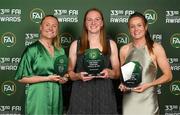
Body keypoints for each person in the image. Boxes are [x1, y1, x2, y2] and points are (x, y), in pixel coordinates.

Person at [67, 8, 120, 114]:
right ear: (85, 23)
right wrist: (78, 76)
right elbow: (70, 73)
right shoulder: (75, 45)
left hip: (104, 92)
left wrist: (110, 73)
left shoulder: (111, 44)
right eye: (89, 20)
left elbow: (117, 73)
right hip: (81, 93)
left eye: (97, 19)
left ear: (102, 23)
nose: (93, 23)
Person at [119, 12, 172, 115]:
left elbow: (168, 76)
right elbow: (124, 77)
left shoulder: (156, 48)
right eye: (132, 26)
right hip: (129, 101)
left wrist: (149, 85)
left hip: (148, 101)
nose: (136, 29)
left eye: (139, 25)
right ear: (129, 29)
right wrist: (122, 84)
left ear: (146, 27)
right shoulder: (124, 50)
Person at [15, 15, 69, 115]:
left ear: (57, 29)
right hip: (38, 97)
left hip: (56, 95)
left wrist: (64, 79)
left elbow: (64, 74)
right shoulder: (32, 50)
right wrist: (47, 78)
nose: (50, 28)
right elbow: (21, 78)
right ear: (41, 27)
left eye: (54, 26)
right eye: (47, 25)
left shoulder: (60, 51)